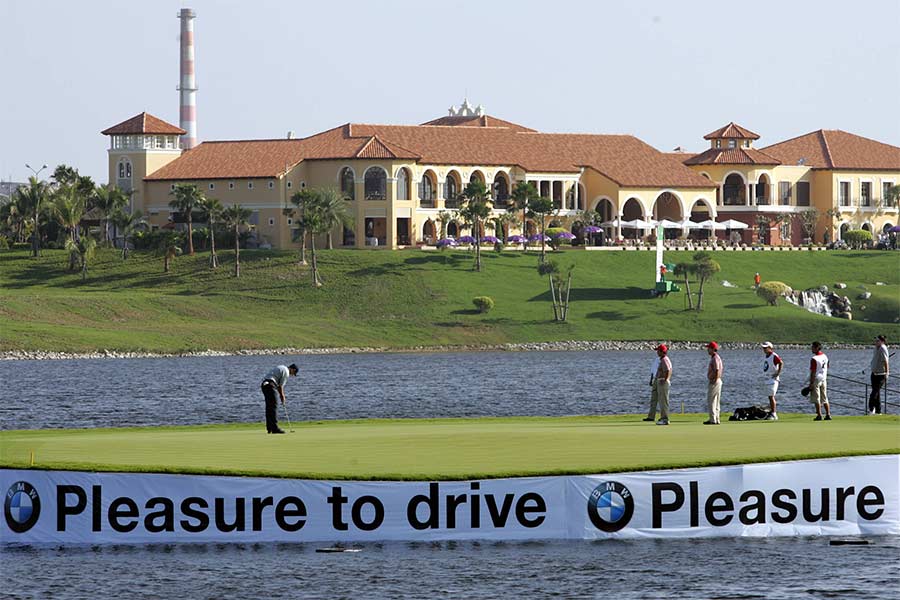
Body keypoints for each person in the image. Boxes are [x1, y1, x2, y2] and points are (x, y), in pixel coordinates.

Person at [261, 363, 299, 434]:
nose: (292, 375)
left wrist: (281, 395)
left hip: (264, 385)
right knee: (274, 406)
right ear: (292, 369)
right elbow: (280, 386)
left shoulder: (281, 367)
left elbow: (278, 385)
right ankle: (274, 428)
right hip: (270, 385)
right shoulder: (286, 372)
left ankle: (269, 428)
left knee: (269, 407)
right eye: (294, 373)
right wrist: (282, 396)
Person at [644, 344, 673, 425]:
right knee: (660, 400)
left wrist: (665, 379)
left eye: (658, 351)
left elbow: (668, 371)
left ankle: (665, 419)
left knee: (663, 401)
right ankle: (662, 418)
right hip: (659, 380)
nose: (657, 352)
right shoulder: (662, 359)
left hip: (662, 382)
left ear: (662, 351)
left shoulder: (664, 360)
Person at [808, 342, 831, 421]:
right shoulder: (825, 356)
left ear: (817, 347)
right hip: (824, 377)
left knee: (816, 398)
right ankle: (828, 414)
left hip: (817, 378)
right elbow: (827, 366)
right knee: (824, 397)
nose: (812, 349)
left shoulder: (814, 358)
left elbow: (813, 372)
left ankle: (819, 415)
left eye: (813, 347)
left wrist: (811, 383)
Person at [761, 342, 782, 420]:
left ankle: (774, 413)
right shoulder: (767, 356)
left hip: (773, 379)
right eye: (763, 348)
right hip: (768, 378)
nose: (764, 349)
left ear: (770, 348)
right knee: (769, 396)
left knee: (771, 396)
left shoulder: (774, 355)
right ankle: (771, 412)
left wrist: (777, 373)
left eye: (765, 348)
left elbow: (781, 363)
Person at [869, 335, 890, 415]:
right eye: (875, 340)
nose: (876, 342)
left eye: (878, 341)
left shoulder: (883, 348)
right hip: (874, 373)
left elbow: (886, 361)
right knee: (876, 393)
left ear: (882, 341)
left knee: (874, 392)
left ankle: (871, 408)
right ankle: (878, 411)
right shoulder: (876, 348)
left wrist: (887, 373)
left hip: (881, 374)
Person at [704, 342, 723, 425]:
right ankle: (716, 418)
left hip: (715, 381)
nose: (707, 350)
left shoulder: (715, 358)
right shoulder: (716, 357)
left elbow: (717, 370)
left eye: (709, 348)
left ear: (712, 349)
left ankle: (713, 419)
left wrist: (714, 380)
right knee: (716, 400)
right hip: (718, 380)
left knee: (711, 400)